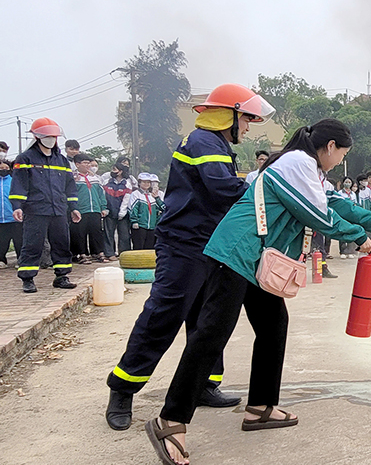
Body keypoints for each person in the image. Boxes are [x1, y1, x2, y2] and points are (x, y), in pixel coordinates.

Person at [144, 118, 371, 465]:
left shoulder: (311, 172)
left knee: (273, 328)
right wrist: (359, 238)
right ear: (330, 147)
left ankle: (260, 407)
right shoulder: (297, 164)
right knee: (211, 334)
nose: (340, 162)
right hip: (237, 252)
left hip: (258, 260)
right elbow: (320, 215)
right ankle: (171, 420)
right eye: (342, 154)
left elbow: (340, 206)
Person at [106, 83, 275, 431]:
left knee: (207, 320)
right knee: (164, 315)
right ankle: (122, 389)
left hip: (210, 244)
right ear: (228, 114)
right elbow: (224, 189)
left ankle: (203, 385)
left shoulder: (215, 143)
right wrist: (269, 193)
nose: (247, 127)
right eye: (245, 119)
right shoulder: (203, 142)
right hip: (184, 245)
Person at [10, 117, 81, 293]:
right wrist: (17, 206)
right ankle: (27, 279)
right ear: (37, 137)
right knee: (32, 244)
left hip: (58, 209)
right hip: (35, 209)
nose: (51, 139)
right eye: (48, 136)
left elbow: (69, 185)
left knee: (62, 243)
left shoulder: (61, 160)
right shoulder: (25, 158)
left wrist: (74, 207)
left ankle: (62, 276)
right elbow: (19, 184)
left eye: (54, 136)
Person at [71, 153, 109, 263]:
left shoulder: (95, 178)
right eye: (85, 163)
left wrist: (103, 207)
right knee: (80, 232)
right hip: (81, 209)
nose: (88, 165)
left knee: (96, 231)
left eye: (89, 163)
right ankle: (82, 254)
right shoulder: (74, 178)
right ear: (77, 164)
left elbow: (101, 194)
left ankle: (98, 252)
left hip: (95, 209)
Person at [101, 161, 133, 260]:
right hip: (109, 212)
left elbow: (127, 198)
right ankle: (110, 253)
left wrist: (122, 212)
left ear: (120, 171)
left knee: (124, 234)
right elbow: (103, 196)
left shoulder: (127, 183)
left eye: (115, 169)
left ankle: (124, 253)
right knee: (108, 233)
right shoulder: (107, 182)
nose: (113, 171)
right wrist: (105, 208)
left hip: (122, 213)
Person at [129, 173, 164, 250]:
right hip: (140, 226)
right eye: (144, 182)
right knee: (139, 247)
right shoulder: (135, 194)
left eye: (148, 182)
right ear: (139, 183)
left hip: (151, 227)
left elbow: (162, 208)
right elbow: (132, 209)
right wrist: (134, 221)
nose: (146, 184)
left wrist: (157, 198)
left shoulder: (151, 196)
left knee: (149, 248)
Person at [0, 160, 22, 268]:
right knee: (2, 241)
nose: (3, 171)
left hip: (14, 217)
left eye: (6, 169)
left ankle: (21, 259)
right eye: (1, 169)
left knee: (19, 240)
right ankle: (1, 260)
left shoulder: (14, 181)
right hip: (1, 218)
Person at [337, 176, 357, 258]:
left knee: (351, 232)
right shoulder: (340, 193)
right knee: (343, 232)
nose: (347, 184)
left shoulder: (353, 194)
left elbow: (355, 204)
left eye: (349, 182)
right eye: (346, 182)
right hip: (343, 215)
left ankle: (350, 251)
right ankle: (343, 251)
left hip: (351, 216)